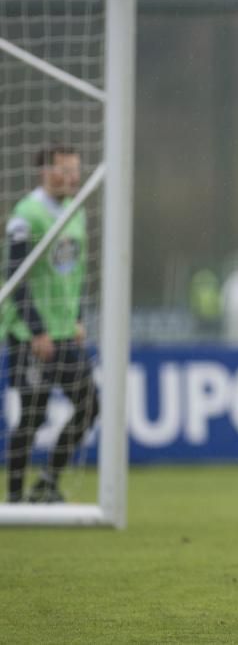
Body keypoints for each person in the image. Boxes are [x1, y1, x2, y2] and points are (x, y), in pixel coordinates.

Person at [2, 145, 99, 504]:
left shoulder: (76, 212)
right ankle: (12, 500)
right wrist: (36, 329)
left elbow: (74, 275)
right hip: (31, 335)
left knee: (90, 405)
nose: (72, 177)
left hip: (64, 333)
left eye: (76, 170)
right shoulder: (26, 215)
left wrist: (76, 318)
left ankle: (47, 482)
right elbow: (15, 277)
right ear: (44, 172)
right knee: (32, 415)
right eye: (63, 170)